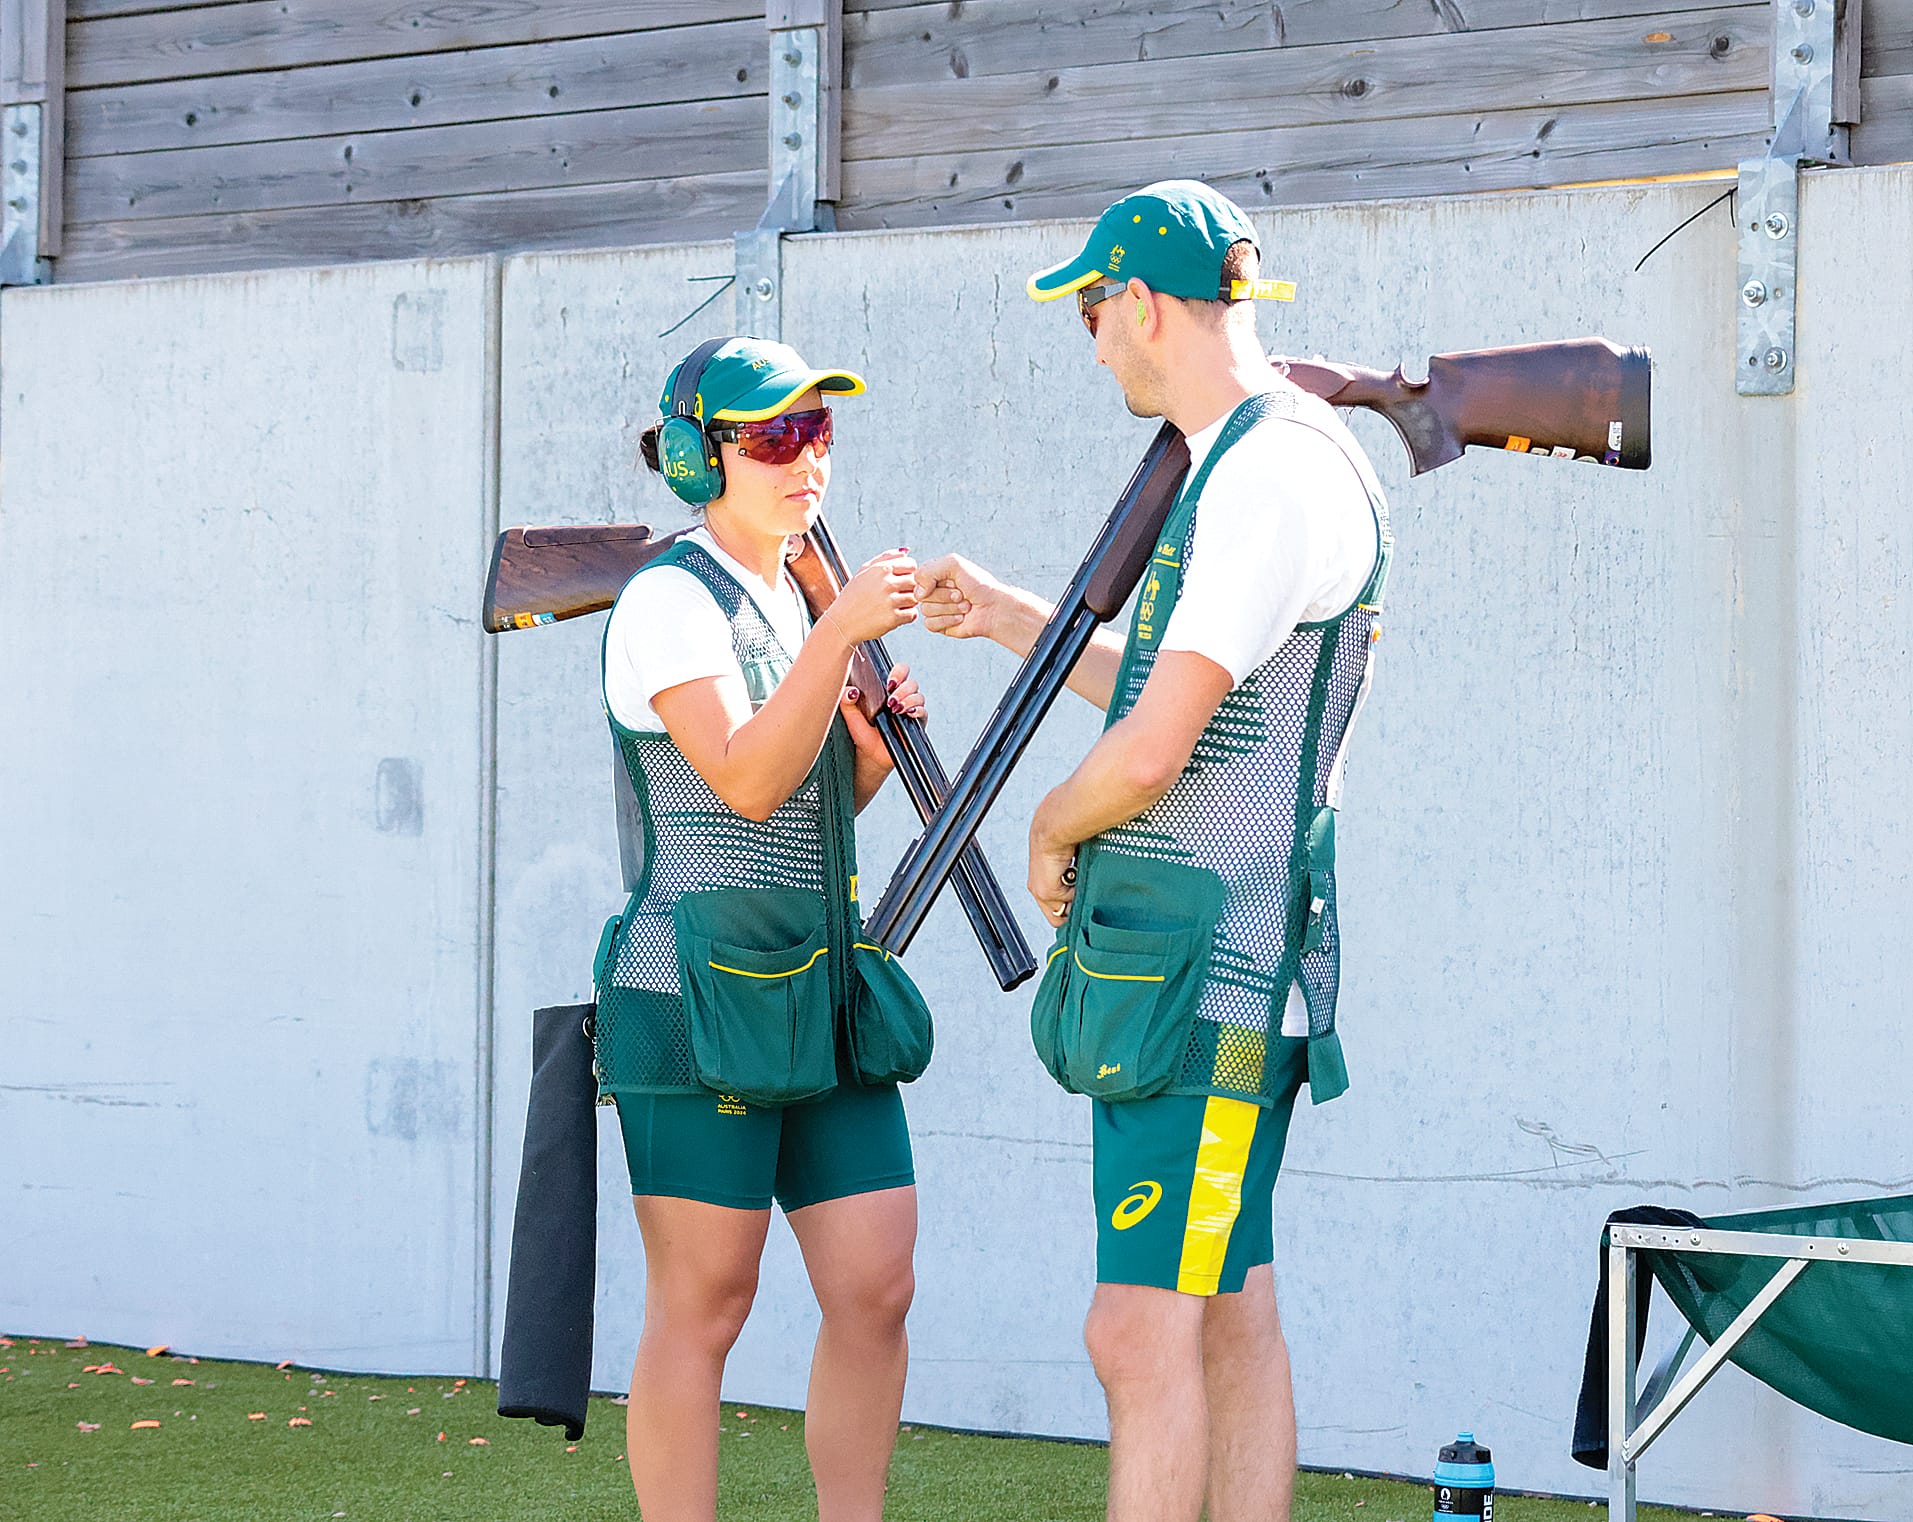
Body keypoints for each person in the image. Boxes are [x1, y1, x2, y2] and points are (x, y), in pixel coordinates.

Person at [915, 181, 1393, 1522]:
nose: (1095, 341)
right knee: (1224, 1307)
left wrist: (1048, 825)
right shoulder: (1272, 457)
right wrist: (1016, 616)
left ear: (1136, 300)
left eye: (1090, 311)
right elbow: (1196, 691)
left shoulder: (1262, 474)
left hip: (1195, 996)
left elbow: (1150, 753)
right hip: (1221, 982)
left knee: (1136, 1333)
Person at [596, 334, 935, 1522]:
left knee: (875, 1281)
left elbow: (802, 813)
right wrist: (838, 631)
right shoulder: (664, 599)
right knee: (706, 1302)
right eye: (777, 436)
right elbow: (738, 783)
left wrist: (868, 754)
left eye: (819, 431)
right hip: (690, 994)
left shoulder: (796, 594)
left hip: (813, 984)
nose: (808, 462)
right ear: (699, 458)